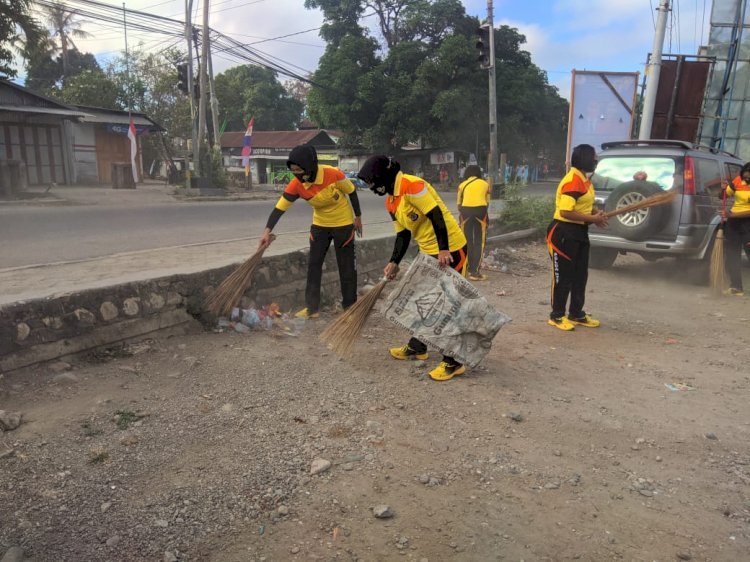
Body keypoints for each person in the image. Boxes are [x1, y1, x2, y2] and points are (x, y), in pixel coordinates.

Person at [358, 155, 468, 382]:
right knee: (423, 298)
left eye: (372, 182)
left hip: (450, 250)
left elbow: (436, 214)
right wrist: (394, 261)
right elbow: (403, 234)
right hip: (428, 252)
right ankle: (418, 347)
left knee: (447, 304)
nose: (372, 187)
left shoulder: (412, 185)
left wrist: (444, 249)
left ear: (383, 177)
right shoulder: (392, 201)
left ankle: (453, 361)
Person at [259, 144, 362, 318]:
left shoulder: (333, 174)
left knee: (346, 268)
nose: (296, 174)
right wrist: (267, 231)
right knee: (314, 265)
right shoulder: (297, 185)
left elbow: (351, 192)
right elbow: (279, 209)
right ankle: (312, 308)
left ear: (309, 166)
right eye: (293, 170)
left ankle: (349, 308)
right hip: (320, 226)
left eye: (299, 170)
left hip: (343, 224)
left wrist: (357, 217)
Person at [546, 144, 608, 331]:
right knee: (563, 277)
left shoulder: (584, 181)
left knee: (580, 275)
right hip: (564, 232)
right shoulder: (572, 180)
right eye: (594, 157)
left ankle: (576, 313)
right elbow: (566, 212)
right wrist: (592, 218)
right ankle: (557, 316)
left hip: (579, 232)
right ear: (586, 159)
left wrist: (596, 215)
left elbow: (583, 205)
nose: (596, 161)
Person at [720, 162, 750, 296]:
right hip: (734, 223)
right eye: (745, 176)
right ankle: (736, 287)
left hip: (747, 223)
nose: (746, 179)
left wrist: (731, 214)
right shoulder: (738, 181)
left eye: (749, 177)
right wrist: (723, 189)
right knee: (732, 255)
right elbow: (724, 195)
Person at [456, 164, 490, 281]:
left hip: (465, 212)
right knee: (479, 241)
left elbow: (458, 204)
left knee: (465, 241)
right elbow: (487, 201)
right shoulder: (485, 184)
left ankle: (463, 269)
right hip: (481, 212)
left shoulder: (462, 185)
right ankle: (474, 272)